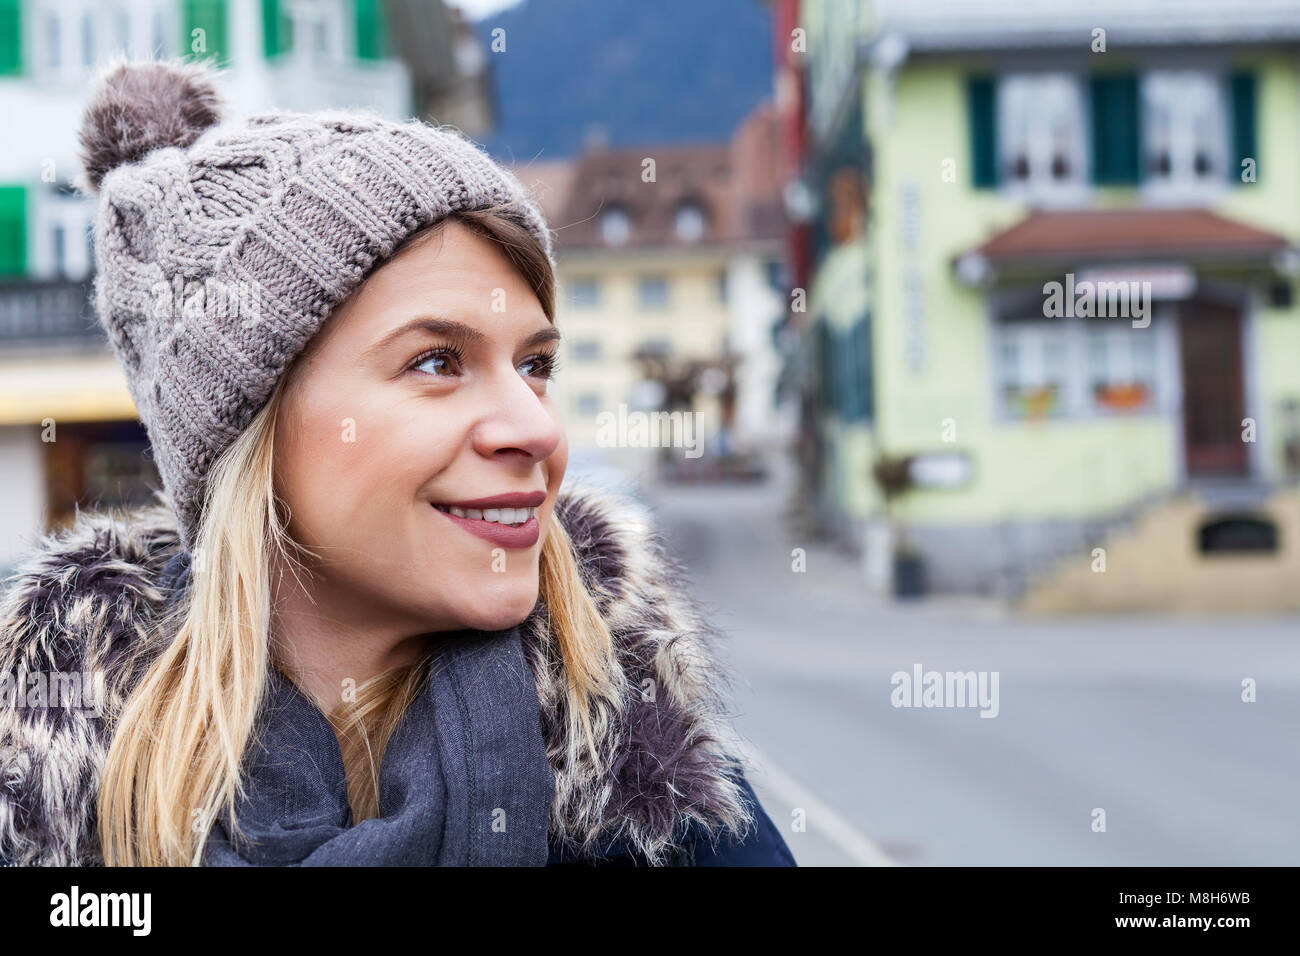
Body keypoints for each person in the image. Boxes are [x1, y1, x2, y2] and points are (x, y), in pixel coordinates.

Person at [0, 59, 795, 868]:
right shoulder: (47, 816)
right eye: (437, 362)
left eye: (536, 365)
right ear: (253, 428)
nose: (535, 427)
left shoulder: (652, 799)